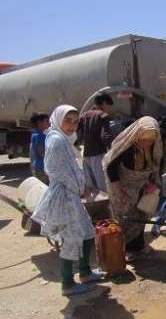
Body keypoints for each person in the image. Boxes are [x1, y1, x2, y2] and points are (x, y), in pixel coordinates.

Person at [31, 105, 101, 296]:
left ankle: (85, 273)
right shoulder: (56, 140)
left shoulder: (63, 138)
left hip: (73, 196)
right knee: (71, 239)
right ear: (58, 119)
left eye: (75, 121)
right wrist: (76, 186)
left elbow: (72, 167)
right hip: (64, 197)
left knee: (87, 232)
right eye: (67, 121)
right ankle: (68, 284)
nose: (71, 125)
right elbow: (53, 168)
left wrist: (81, 186)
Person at [103, 116, 163, 262]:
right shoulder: (126, 148)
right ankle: (127, 249)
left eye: (149, 140)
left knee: (140, 217)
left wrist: (152, 183)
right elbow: (111, 167)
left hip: (142, 189)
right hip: (124, 190)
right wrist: (119, 190)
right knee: (126, 219)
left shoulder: (153, 149)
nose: (146, 143)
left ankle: (138, 247)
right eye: (143, 139)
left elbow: (153, 168)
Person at [77, 94, 113, 192]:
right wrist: (110, 150)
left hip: (86, 154)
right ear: (104, 104)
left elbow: (77, 134)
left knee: (91, 186)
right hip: (98, 154)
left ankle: (94, 206)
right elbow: (105, 136)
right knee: (102, 185)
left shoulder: (84, 115)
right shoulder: (103, 115)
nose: (109, 110)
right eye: (109, 107)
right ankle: (104, 206)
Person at [29, 113, 50, 184]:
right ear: (39, 123)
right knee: (46, 190)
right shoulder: (39, 136)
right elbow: (41, 153)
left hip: (40, 167)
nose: (49, 123)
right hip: (42, 168)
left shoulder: (38, 134)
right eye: (46, 121)